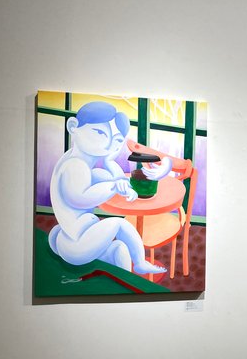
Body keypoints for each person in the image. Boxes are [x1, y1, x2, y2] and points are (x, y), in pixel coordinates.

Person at [47, 101, 167, 274]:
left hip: (73, 237)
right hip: (77, 245)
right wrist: (114, 186)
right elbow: (79, 198)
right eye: (99, 132)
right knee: (119, 223)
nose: (109, 143)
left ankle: (125, 282)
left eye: (116, 140)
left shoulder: (77, 161)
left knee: (120, 249)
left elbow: (115, 179)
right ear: (73, 127)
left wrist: (110, 162)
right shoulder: (75, 166)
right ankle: (140, 263)